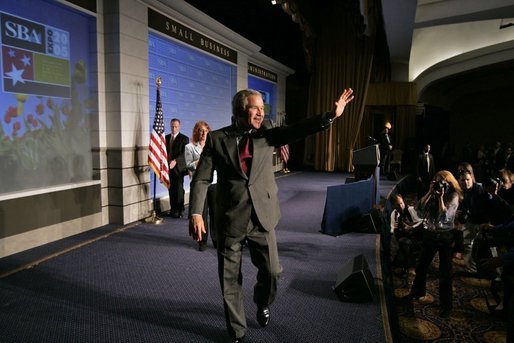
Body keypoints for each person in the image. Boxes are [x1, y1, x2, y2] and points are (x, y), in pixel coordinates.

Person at [189, 88, 354, 342]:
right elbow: (201, 179)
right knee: (229, 280)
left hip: (261, 218)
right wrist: (196, 213)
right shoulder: (216, 139)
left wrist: (330, 116)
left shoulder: (266, 132)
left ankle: (262, 301)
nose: (261, 112)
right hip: (230, 219)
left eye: (262, 108)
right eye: (256, 108)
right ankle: (237, 331)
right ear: (241, 110)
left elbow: (297, 130)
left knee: (273, 272)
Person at [404, 170, 463, 318]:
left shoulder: (453, 196)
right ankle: (417, 292)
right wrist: (430, 192)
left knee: (445, 273)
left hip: (444, 237)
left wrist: (441, 198)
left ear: (449, 183)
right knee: (421, 266)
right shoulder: (433, 193)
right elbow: (418, 209)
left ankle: (446, 306)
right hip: (430, 234)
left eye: (441, 182)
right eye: (436, 181)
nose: (439, 185)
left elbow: (445, 216)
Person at [185, 121, 217, 251]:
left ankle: (216, 240)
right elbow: (188, 165)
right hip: (199, 185)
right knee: (201, 214)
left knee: (215, 214)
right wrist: (201, 161)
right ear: (196, 133)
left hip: (214, 183)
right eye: (200, 131)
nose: (203, 133)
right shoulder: (190, 147)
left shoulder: (214, 146)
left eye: (205, 131)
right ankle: (202, 241)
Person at [389, 194, 423, 275]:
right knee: (404, 243)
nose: (401, 206)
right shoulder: (394, 214)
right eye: (398, 204)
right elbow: (392, 229)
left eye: (401, 203)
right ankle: (408, 267)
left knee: (408, 243)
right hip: (404, 235)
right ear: (394, 205)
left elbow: (421, 221)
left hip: (416, 233)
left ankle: (404, 266)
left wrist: (411, 227)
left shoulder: (410, 209)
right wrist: (395, 228)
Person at [166, 118, 189, 218]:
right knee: (171, 189)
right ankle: (173, 209)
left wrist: (176, 161)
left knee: (179, 189)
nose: (173, 128)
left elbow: (185, 154)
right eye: (172, 126)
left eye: (175, 126)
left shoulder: (184, 138)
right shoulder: (166, 138)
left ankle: (179, 210)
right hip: (168, 168)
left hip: (179, 168)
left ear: (179, 126)